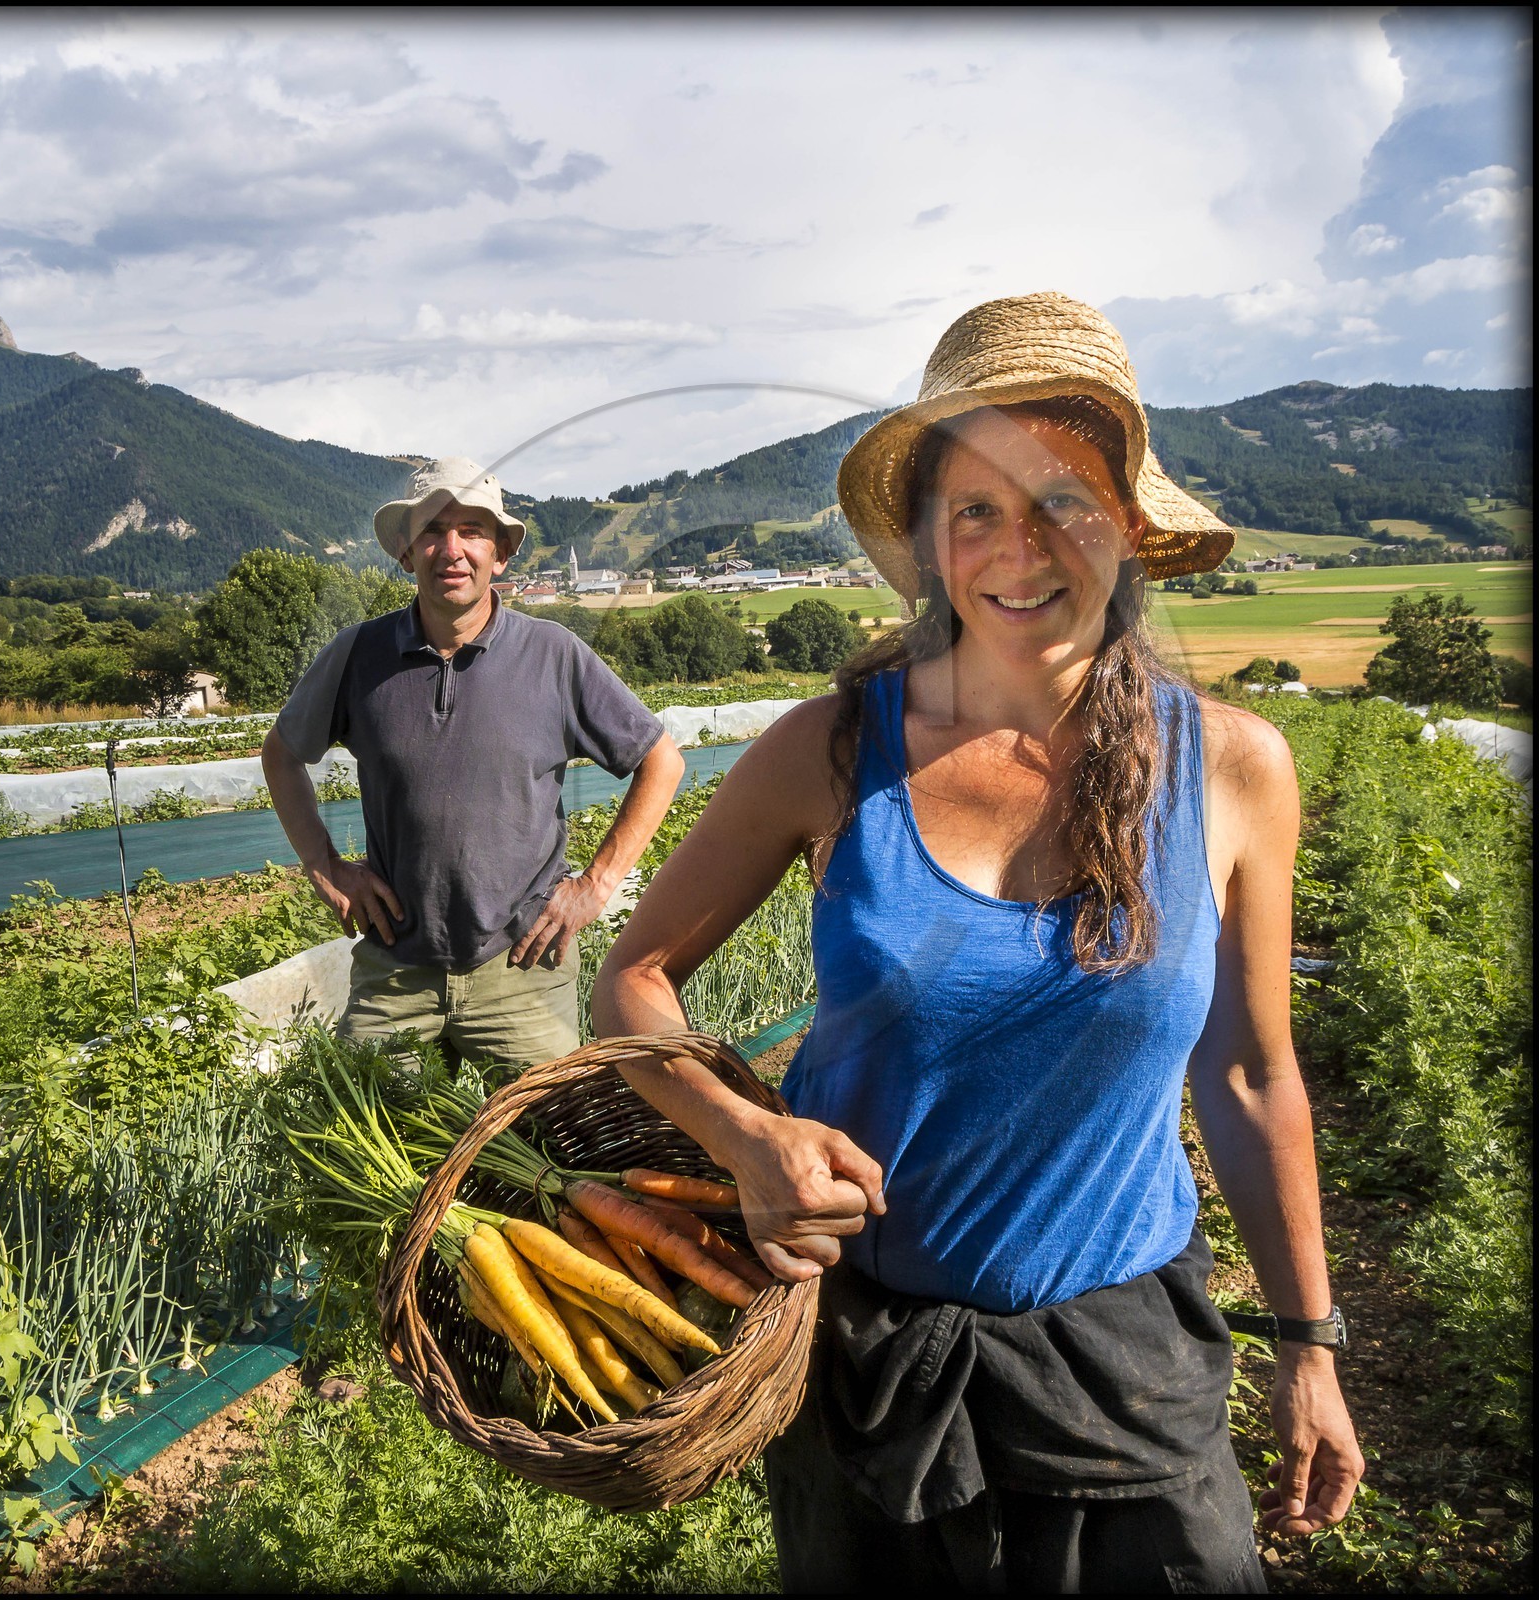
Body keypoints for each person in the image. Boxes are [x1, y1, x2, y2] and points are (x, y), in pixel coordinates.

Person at [590, 294, 1364, 1592]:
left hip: (1129, 1363)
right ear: (937, 544)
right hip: (869, 1363)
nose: (1022, 546)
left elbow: (1249, 1077)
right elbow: (633, 975)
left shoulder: (1234, 771)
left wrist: (1310, 1344)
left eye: (1062, 498)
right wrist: (745, 1134)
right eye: (978, 509)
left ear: (1125, 523)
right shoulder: (829, 754)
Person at [262, 455, 684, 1075]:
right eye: (433, 530)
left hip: (522, 970)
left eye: (472, 531)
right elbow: (281, 755)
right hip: (395, 973)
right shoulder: (358, 656)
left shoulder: (553, 655)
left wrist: (595, 886)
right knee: (361, 1146)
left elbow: (661, 762)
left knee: (551, 1151)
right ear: (407, 553)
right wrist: (324, 867)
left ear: (501, 554)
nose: (451, 549)